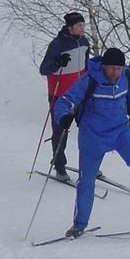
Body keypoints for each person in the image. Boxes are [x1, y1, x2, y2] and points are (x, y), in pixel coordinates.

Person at [53, 47, 130, 238]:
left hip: (121, 132)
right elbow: (64, 101)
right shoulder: (89, 80)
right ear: (104, 66)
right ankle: (79, 226)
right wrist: (63, 117)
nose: (116, 72)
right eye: (112, 68)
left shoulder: (127, 76)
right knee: (86, 180)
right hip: (93, 136)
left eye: (119, 68)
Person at [39, 12, 91, 182]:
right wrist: (57, 63)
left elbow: (86, 65)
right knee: (61, 131)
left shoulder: (84, 42)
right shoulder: (57, 44)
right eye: (79, 26)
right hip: (60, 95)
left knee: (88, 128)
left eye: (83, 25)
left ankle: (90, 165)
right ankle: (59, 166)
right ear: (70, 27)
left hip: (79, 93)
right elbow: (44, 69)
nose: (83, 28)